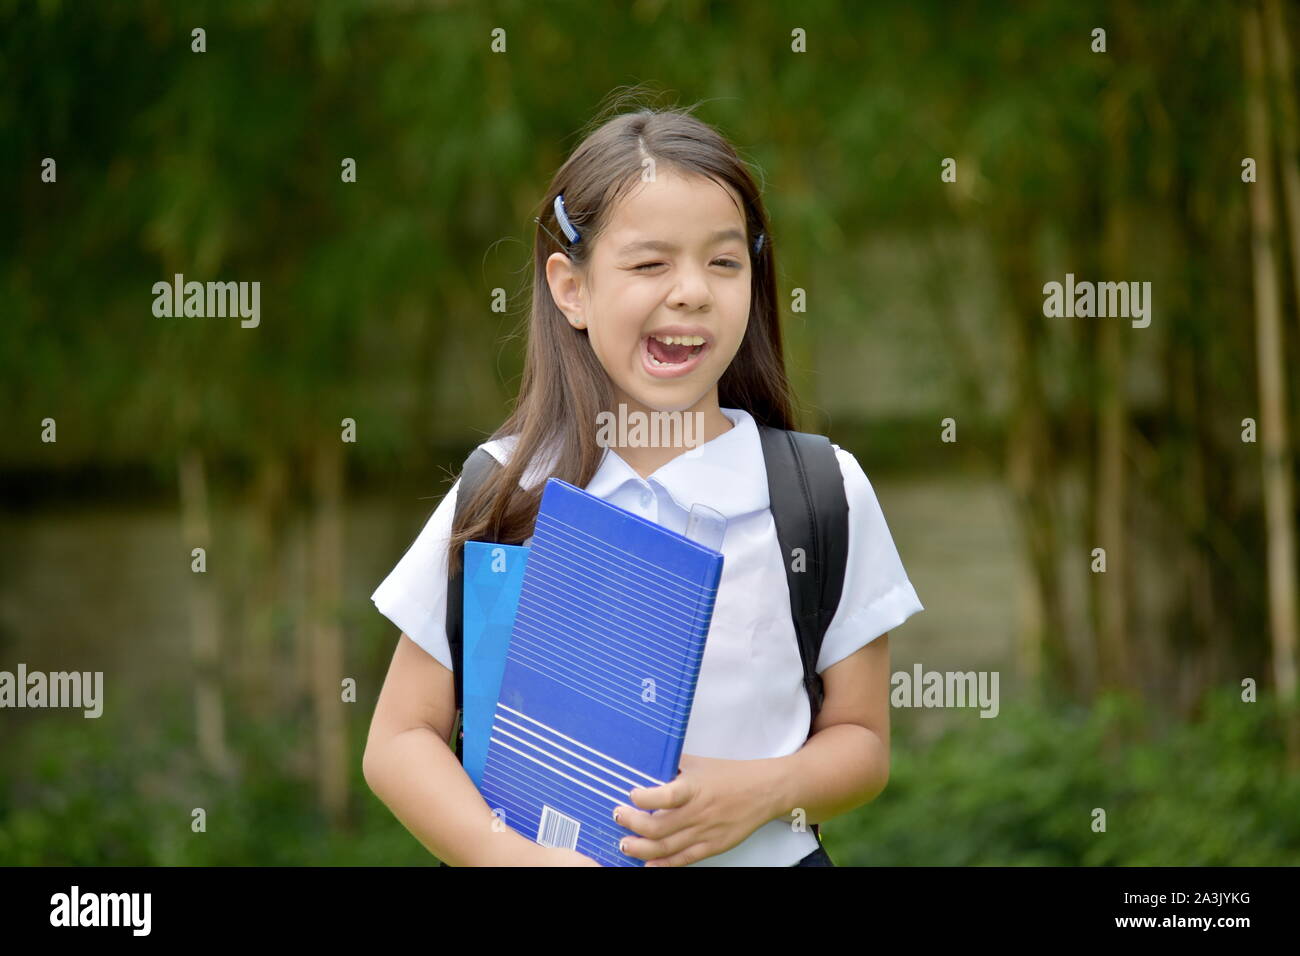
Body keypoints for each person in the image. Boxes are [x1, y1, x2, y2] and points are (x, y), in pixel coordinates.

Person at [362, 104, 924, 867]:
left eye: (724, 262)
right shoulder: (505, 490)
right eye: (650, 263)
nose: (692, 292)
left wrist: (760, 791)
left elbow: (861, 744)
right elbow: (399, 740)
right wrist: (511, 858)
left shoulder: (819, 491)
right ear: (571, 289)